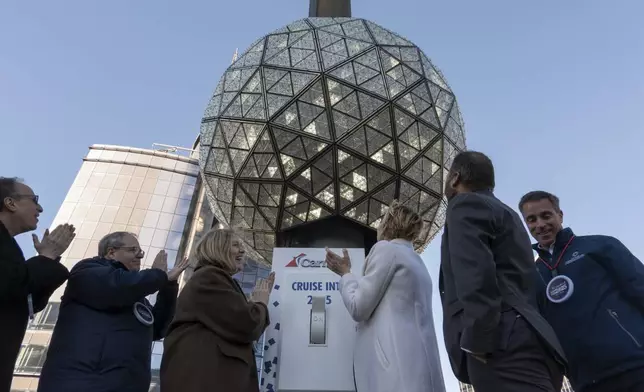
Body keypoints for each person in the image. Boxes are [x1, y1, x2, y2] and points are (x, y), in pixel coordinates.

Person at [439, 151, 567, 392]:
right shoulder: (508, 214)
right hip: (531, 338)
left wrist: (478, 341)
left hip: (500, 343)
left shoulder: (463, 205)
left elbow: (475, 274)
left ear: (455, 178)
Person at [519, 190, 644, 392]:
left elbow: (640, 288)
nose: (540, 224)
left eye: (546, 215)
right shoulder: (532, 274)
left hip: (634, 366)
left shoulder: (600, 246)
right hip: (585, 380)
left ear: (560, 215)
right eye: (532, 220)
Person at [37, 231, 189, 392]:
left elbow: (157, 328)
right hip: (83, 383)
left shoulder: (135, 297)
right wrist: (158, 275)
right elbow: (117, 286)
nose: (139, 256)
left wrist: (168, 287)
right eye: (133, 250)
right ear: (111, 252)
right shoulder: (87, 270)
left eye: (140, 252)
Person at [325, 201, 445, 392]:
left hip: (393, 373)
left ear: (388, 223)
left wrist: (345, 274)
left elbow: (358, 307)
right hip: (420, 371)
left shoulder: (385, 250)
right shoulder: (418, 263)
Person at [160, 228, 274, 392]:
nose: (243, 250)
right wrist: (261, 303)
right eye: (235, 245)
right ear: (217, 248)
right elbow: (247, 323)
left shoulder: (212, 280)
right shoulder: (209, 277)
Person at [0, 177, 74, 392]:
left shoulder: (10, 247)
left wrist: (46, 258)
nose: (40, 208)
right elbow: (9, 284)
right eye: (34, 200)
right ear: (10, 203)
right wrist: (47, 257)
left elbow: (26, 302)